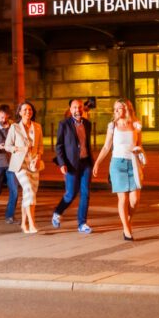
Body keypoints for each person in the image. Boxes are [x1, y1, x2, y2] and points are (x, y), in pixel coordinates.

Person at [93, 99, 143, 241]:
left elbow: (140, 145)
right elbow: (106, 147)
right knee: (123, 198)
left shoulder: (135, 125)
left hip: (133, 163)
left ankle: (127, 220)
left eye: (119, 109)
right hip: (117, 164)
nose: (115, 112)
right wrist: (97, 163)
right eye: (114, 109)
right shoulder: (112, 126)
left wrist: (141, 159)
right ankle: (127, 230)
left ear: (126, 109)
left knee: (135, 200)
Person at [52, 98, 94, 234]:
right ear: (70, 110)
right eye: (75, 107)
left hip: (86, 162)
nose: (78, 110)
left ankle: (82, 223)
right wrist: (62, 163)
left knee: (85, 193)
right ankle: (58, 212)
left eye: (80, 107)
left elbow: (86, 144)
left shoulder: (87, 124)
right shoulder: (64, 124)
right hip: (70, 164)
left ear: (83, 109)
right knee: (70, 194)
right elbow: (59, 146)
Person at [5, 101, 43, 234]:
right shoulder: (14, 127)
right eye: (25, 110)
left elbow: (40, 147)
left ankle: (23, 223)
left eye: (30, 110)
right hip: (20, 164)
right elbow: (7, 146)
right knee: (29, 192)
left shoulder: (37, 127)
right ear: (20, 112)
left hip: (34, 164)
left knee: (29, 195)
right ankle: (32, 224)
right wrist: (20, 148)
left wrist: (38, 156)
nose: (28, 112)